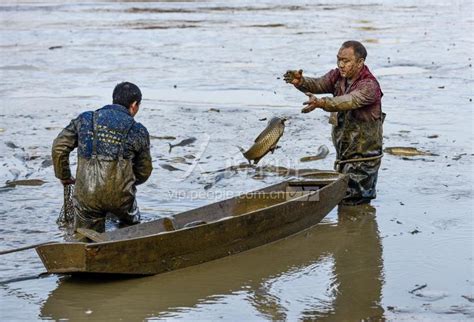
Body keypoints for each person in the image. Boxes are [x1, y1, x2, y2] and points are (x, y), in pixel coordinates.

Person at [284, 40, 384, 205]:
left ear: (360, 62)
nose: (341, 65)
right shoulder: (338, 76)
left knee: (354, 203)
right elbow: (318, 84)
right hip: (344, 157)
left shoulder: (369, 86)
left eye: (346, 61)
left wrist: (322, 103)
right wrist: (300, 82)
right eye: (339, 59)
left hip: (363, 161)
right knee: (341, 196)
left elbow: (347, 101)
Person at [52, 82, 153, 232]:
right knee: (131, 230)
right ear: (134, 105)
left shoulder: (86, 119)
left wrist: (64, 176)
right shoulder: (138, 130)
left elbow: (59, 147)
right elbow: (144, 171)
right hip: (122, 198)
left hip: (87, 195)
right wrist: (127, 183)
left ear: (114, 99)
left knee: (85, 238)